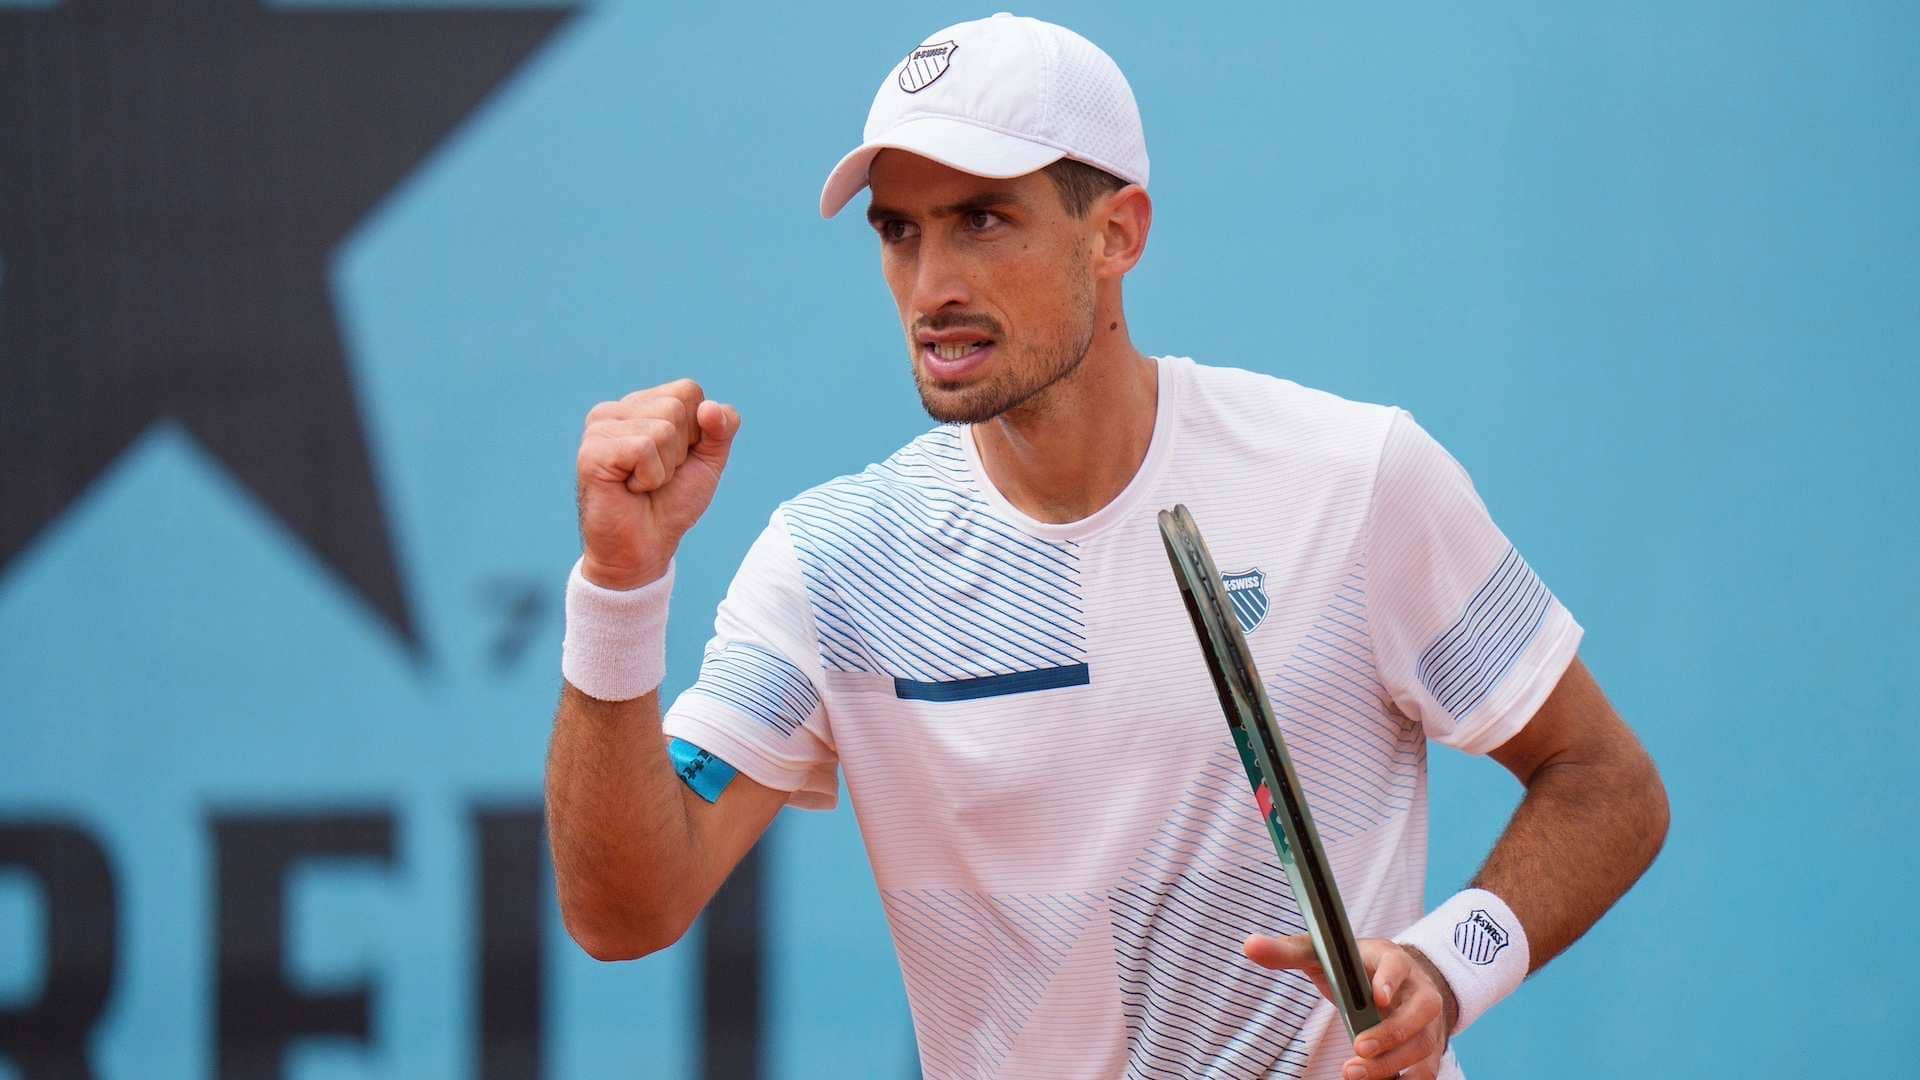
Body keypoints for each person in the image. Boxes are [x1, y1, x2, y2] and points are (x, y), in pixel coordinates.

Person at [544, 13, 1668, 1080]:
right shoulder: (836, 562)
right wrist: (621, 592)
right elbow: (624, 912)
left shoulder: (1355, 477)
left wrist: (1443, 966)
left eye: (982, 219)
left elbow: (1604, 782)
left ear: (1117, 233)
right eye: (901, 230)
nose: (931, 285)